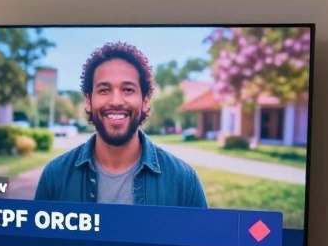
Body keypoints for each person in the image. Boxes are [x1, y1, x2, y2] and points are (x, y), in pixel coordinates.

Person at [34, 41, 208, 207]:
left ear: (145, 101)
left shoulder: (185, 183)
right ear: (88, 100)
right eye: (104, 90)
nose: (116, 101)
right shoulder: (55, 177)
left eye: (128, 90)